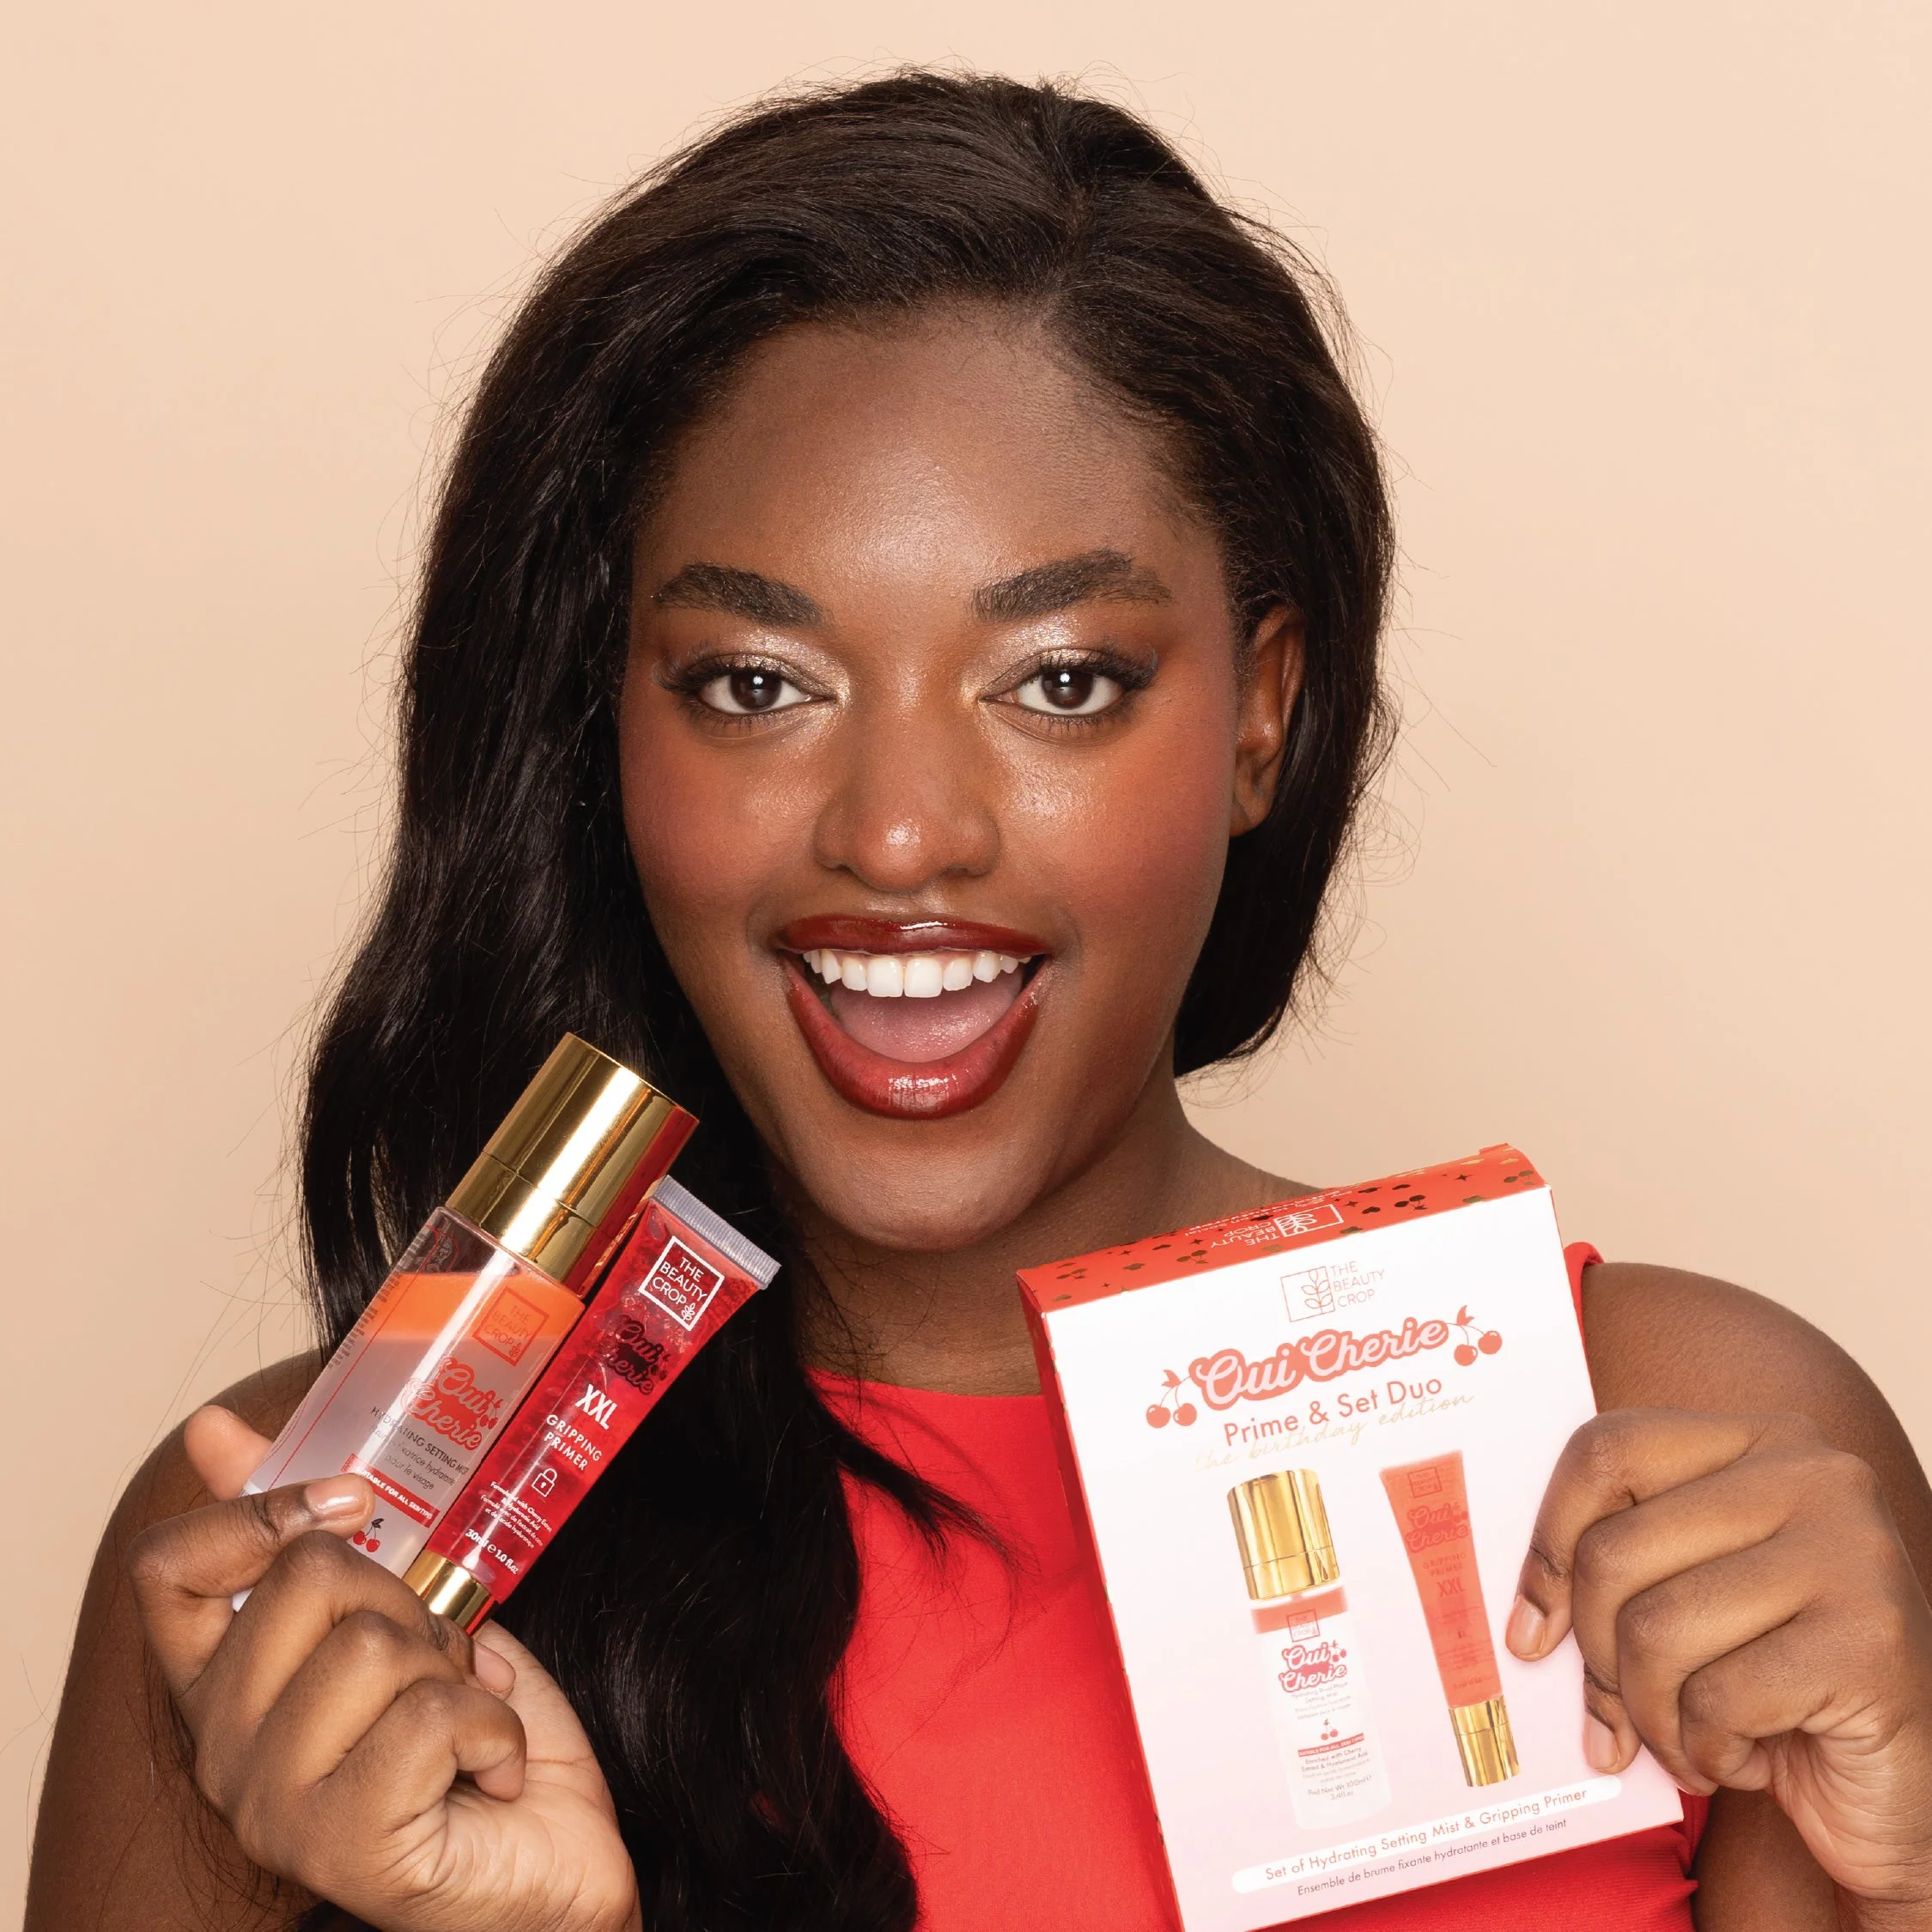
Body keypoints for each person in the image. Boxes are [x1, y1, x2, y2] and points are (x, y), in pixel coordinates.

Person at [26, 71, 1932, 1932]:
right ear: (603, 731)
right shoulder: (313, 1584)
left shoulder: (1672, 1454)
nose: (900, 833)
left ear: (1262, 716)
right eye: (755, 684)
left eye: (1062, 681)